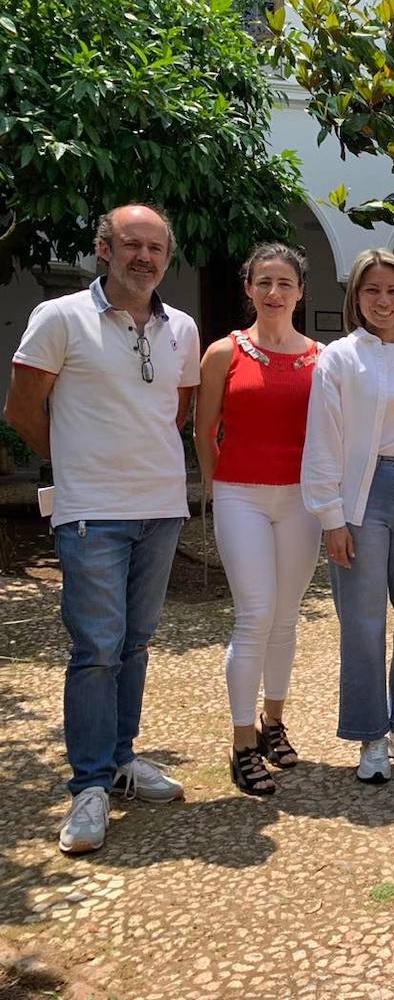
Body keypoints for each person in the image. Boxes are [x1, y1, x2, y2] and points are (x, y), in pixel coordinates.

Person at [6, 205, 199, 854]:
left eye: (156, 247)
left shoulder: (182, 328)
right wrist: (79, 464)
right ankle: (88, 784)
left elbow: (174, 412)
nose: (144, 256)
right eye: (131, 244)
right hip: (91, 511)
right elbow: (22, 409)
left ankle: (121, 760)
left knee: (135, 642)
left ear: (166, 257)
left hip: (161, 508)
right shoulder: (59, 317)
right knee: (96, 647)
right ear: (104, 249)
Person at [301, 249, 394, 782]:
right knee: (363, 622)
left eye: (392, 290)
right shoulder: (340, 358)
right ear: (355, 297)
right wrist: (331, 517)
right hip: (366, 493)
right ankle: (370, 735)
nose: (383, 301)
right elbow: (323, 439)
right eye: (372, 290)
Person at [195, 243, 322, 795]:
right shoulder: (223, 352)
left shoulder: (321, 357)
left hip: (300, 500)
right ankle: (242, 741)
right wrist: (217, 485)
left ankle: (274, 721)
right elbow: (204, 429)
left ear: (300, 292)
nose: (274, 292)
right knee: (255, 614)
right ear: (248, 288)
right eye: (264, 282)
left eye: (285, 283)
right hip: (241, 495)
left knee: (286, 616)